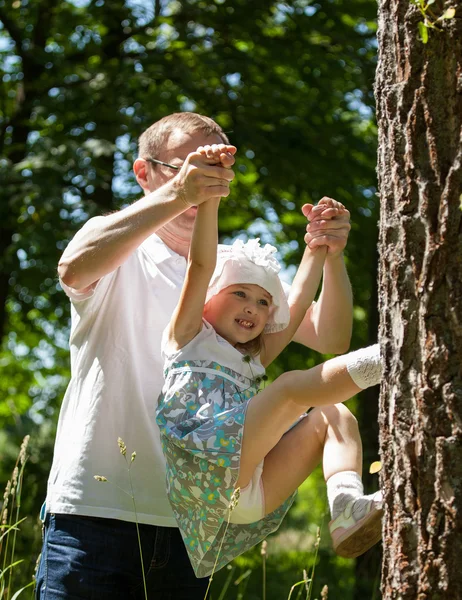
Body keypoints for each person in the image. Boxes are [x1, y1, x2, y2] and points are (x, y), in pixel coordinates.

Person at [35, 112, 354, 599]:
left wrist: (330, 253)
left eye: (212, 170)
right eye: (182, 166)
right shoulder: (116, 240)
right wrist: (182, 194)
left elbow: (328, 336)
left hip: (191, 522)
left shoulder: (239, 277)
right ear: (144, 173)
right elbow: (74, 269)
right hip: (93, 515)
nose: (201, 180)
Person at [156, 143, 383, 578]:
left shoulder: (254, 357)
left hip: (248, 490)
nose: (252, 309)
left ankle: (346, 508)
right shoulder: (187, 338)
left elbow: (295, 304)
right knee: (290, 389)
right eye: (239, 294)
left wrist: (316, 249)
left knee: (332, 414)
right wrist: (210, 195)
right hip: (206, 468)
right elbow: (201, 265)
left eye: (263, 303)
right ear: (207, 302)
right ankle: (392, 359)